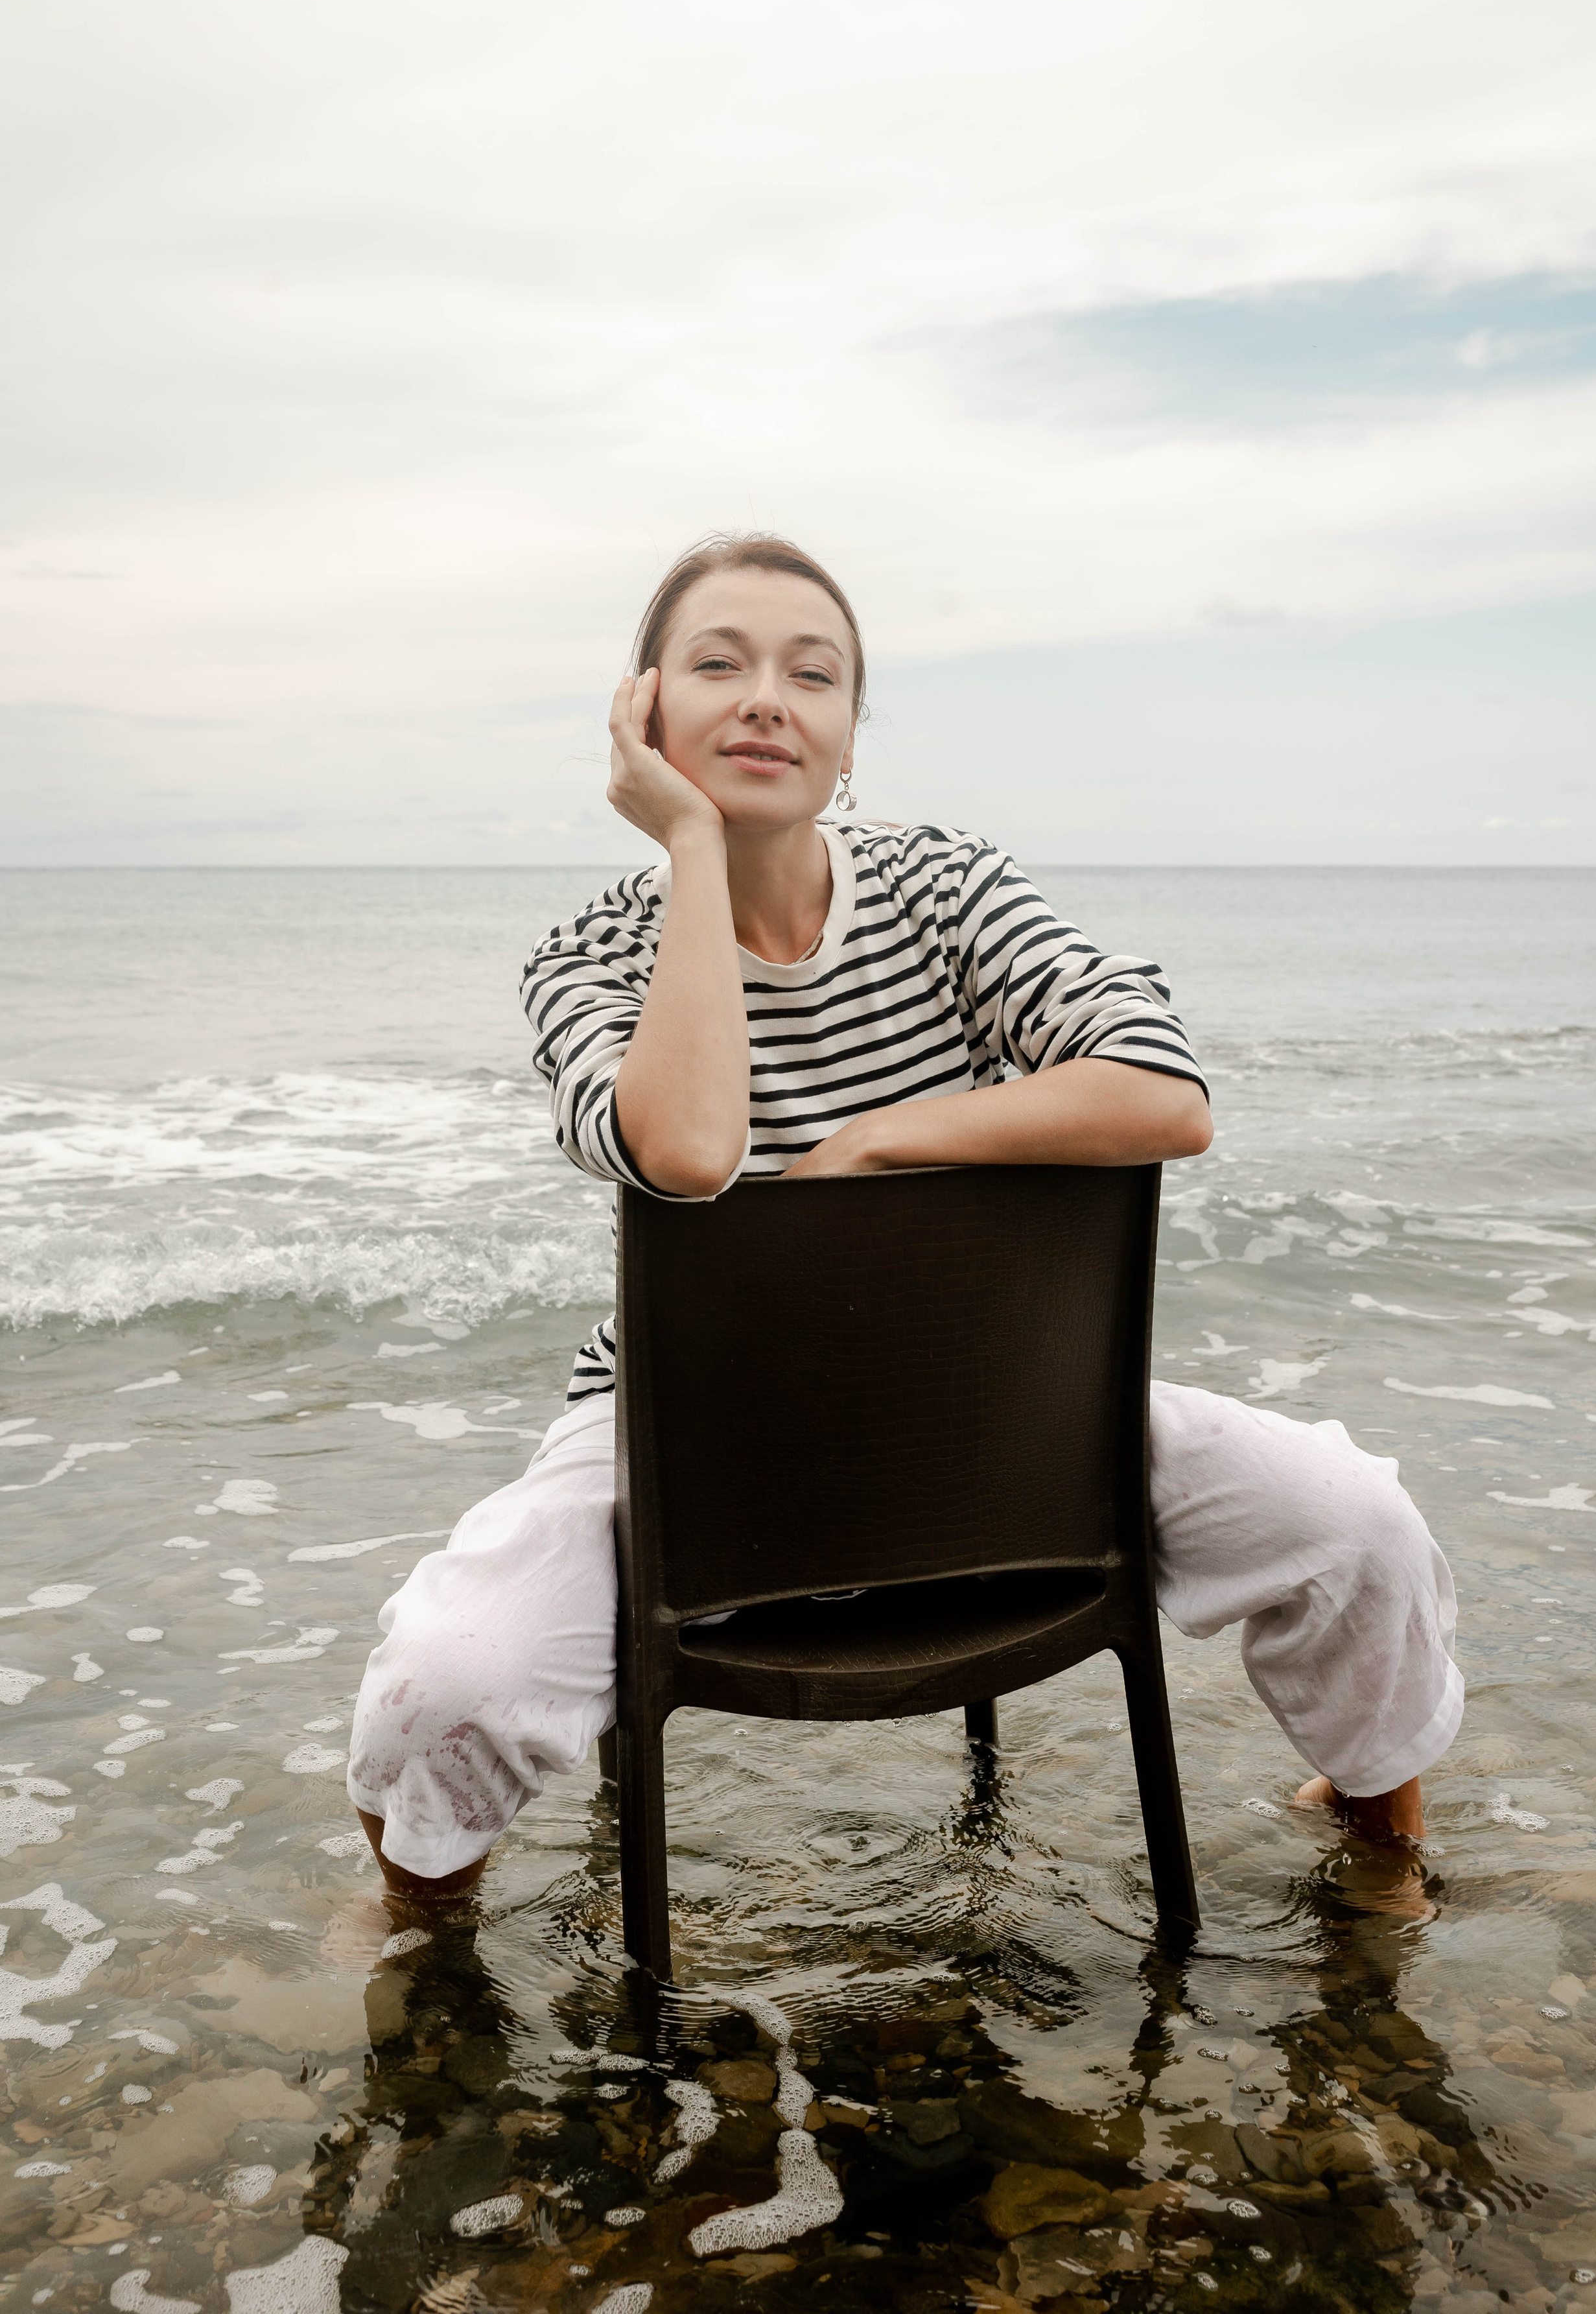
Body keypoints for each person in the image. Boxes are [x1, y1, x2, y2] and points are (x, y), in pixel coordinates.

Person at [346, 534, 1462, 1903]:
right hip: (687, 1426)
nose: (768, 699)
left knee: (1357, 1523)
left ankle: (1377, 1852)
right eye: (719, 665)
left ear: (848, 736)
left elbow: (1162, 1089)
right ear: (642, 714)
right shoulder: (581, 958)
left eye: (811, 676)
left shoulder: (943, 890)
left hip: (993, 1412)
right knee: (444, 1682)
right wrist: (692, 845)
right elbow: (690, 1154)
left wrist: (878, 1138)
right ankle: (420, 1940)